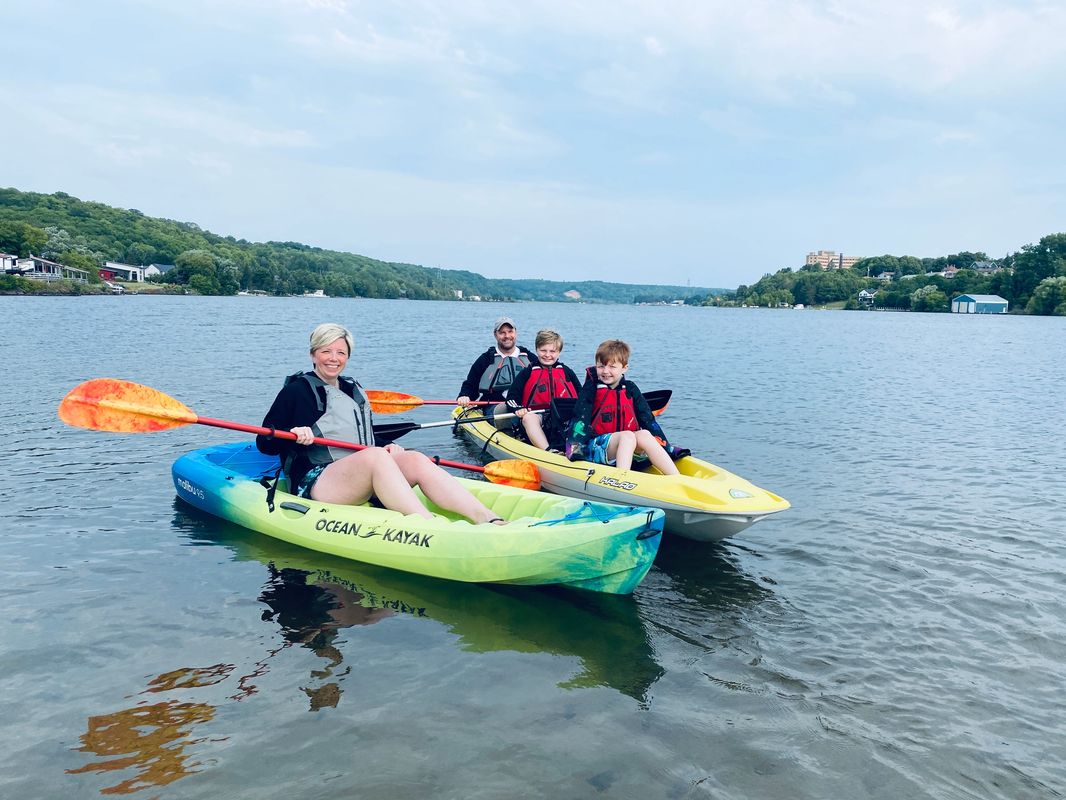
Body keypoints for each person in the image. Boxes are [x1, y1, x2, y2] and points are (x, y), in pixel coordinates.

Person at [257, 323, 506, 524]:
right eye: (326, 351)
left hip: (359, 474)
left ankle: (487, 517)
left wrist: (386, 446)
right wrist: (292, 433)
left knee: (414, 458)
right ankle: (427, 523)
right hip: (316, 481)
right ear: (313, 354)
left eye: (341, 352)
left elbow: (359, 434)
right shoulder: (297, 391)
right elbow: (264, 443)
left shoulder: (351, 388)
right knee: (375, 456)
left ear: (348, 356)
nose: (333, 358)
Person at [565, 339, 682, 475]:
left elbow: (648, 420)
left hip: (627, 445)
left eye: (612, 367)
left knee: (644, 434)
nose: (605, 371)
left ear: (624, 368)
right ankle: (622, 478)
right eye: (601, 366)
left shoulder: (630, 389)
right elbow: (580, 418)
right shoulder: (591, 389)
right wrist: (575, 447)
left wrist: (667, 447)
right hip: (596, 446)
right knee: (627, 436)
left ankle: (676, 477)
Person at [504, 329, 582, 450]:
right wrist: (518, 409)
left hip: (563, 419)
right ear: (537, 350)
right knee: (528, 418)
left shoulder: (567, 372)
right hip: (537, 416)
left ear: (559, 352)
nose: (547, 355)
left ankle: (576, 450)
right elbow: (511, 398)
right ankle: (548, 451)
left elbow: (582, 397)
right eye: (543, 350)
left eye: (552, 351)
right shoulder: (527, 372)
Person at [456, 316, 538, 427]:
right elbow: (471, 385)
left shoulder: (530, 358)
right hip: (495, 406)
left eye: (510, 331)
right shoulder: (485, 359)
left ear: (516, 333)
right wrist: (465, 396)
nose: (507, 336)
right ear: (495, 335)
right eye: (502, 333)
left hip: (524, 405)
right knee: (504, 410)